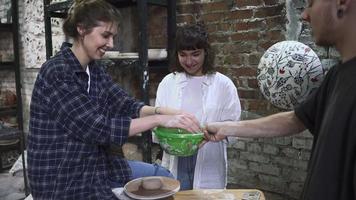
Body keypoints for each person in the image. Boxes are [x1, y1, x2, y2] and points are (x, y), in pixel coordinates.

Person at [27, 0, 201, 199]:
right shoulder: (57, 72)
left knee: (163, 176)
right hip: (64, 178)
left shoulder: (94, 69)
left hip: (97, 164)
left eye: (113, 37)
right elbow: (98, 129)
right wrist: (158, 120)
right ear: (81, 29)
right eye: (105, 35)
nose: (111, 44)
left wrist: (163, 111)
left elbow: (125, 103)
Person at [205, 0, 356, 199]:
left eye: (311, 3)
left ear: (342, 3)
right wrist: (227, 128)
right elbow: (296, 119)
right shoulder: (337, 75)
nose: (304, 15)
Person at [155, 23, 241, 190]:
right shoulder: (168, 83)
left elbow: (234, 126)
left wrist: (213, 132)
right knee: (176, 194)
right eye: (183, 55)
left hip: (208, 154)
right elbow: (158, 123)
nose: (189, 61)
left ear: (206, 52)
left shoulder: (223, 84)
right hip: (176, 155)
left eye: (195, 54)